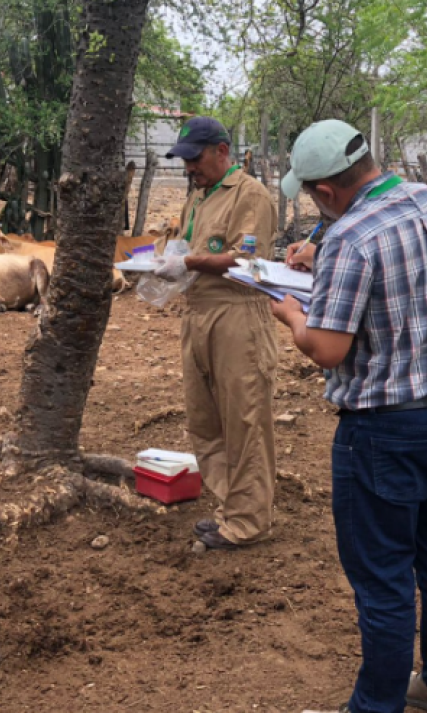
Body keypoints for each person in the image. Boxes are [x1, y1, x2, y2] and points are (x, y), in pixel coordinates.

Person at [273, 119, 427, 713]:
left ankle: (375, 707)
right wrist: (323, 256)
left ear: (327, 192)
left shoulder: (350, 239)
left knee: (384, 579)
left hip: (385, 431)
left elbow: (328, 349)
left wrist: (291, 315)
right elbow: (407, 270)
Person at [154, 116, 279, 550]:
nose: (189, 167)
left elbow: (248, 262)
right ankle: (232, 509)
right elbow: (188, 249)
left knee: (243, 418)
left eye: (195, 157)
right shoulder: (199, 197)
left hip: (238, 316)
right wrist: (163, 270)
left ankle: (250, 522)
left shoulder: (251, 195)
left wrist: (186, 265)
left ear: (221, 152)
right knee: (205, 418)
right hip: (198, 313)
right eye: (184, 160)